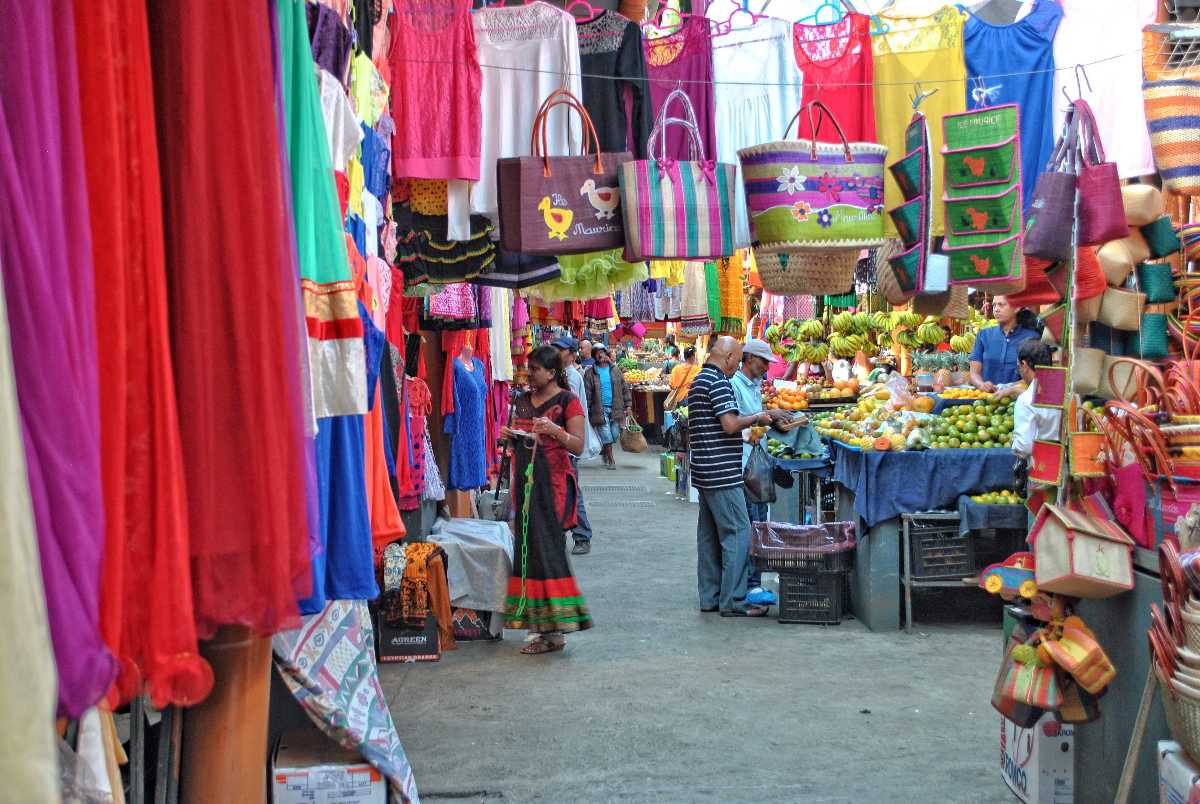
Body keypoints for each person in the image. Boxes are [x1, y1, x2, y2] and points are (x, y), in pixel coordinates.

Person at [500, 346, 593, 654]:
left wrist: (555, 430)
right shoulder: (523, 400)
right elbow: (521, 437)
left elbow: (579, 446)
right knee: (528, 555)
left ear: (552, 372)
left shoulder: (568, 402)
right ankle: (542, 629)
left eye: (536, 369)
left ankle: (553, 631)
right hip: (526, 488)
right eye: (529, 368)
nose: (530, 374)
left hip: (553, 489)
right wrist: (509, 437)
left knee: (549, 552)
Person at [688, 336, 775, 617]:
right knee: (739, 532)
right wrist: (757, 417)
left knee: (710, 537)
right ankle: (734, 601)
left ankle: (710, 597)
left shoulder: (701, 379)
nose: (737, 366)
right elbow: (730, 424)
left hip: (704, 470)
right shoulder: (718, 382)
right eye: (736, 361)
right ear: (727, 358)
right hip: (722, 471)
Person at [731, 338, 787, 608]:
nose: (767, 367)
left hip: (757, 464)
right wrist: (758, 421)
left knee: (759, 525)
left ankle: (753, 583)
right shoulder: (735, 386)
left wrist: (770, 416)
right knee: (751, 528)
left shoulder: (752, 386)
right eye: (764, 361)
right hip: (744, 466)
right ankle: (750, 587)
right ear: (750, 358)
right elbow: (733, 428)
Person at [553, 335, 595, 556]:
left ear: (570, 354)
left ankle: (582, 536)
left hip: (568, 444)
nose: (556, 353)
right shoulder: (559, 375)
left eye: (560, 350)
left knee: (571, 491)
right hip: (559, 442)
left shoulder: (572, 377)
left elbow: (572, 413)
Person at [969, 295, 1040, 391]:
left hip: (1016, 401)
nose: (996, 309)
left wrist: (1007, 389)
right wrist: (981, 385)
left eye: (1001, 305)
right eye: (994, 305)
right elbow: (974, 373)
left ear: (1016, 308)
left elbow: (1035, 376)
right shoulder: (983, 335)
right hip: (985, 401)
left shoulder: (1032, 338)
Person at [1008, 340, 1063, 459]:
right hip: (1068, 468)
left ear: (1024, 364)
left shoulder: (1026, 399)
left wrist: (1013, 442)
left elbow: (1024, 447)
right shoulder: (1069, 393)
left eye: (1019, 366)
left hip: (1042, 469)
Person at [584, 343, 633, 470]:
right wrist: (586, 409)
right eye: (597, 353)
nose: (600, 355)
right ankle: (611, 460)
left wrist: (628, 406)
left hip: (616, 408)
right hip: (599, 409)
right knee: (606, 435)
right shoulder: (590, 373)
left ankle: (606, 450)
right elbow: (587, 393)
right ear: (594, 356)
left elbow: (624, 388)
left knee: (614, 434)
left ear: (606, 353)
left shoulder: (615, 370)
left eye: (602, 352)